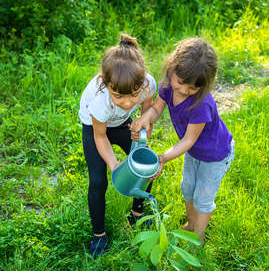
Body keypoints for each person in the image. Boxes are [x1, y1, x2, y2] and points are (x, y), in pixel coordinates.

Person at [130, 37, 234, 244]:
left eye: (192, 88)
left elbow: (188, 141)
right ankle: (191, 223)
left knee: (203, 197)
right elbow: (158, 108)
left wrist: (161, 158)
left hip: (215, 155)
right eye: (181, 83)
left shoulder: (201, 104)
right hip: (195, 153)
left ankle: (198, 237)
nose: (185, 90)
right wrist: (145, 118)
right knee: (188, 189)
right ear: (172, 68)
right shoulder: (169, 85)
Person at [79, 34, 156, 258]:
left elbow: (146, 111)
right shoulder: (100, 100)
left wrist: (142, 129)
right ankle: (99, 236)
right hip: (95, 127)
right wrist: (115, 166)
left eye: (133, 95)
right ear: (106, 83)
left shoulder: (148, 83)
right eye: (118, 96)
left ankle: (136, 215)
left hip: (122, 123)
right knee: (98, 181)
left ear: (142, 84)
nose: (127, 102)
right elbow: (101, 137)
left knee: (144, 166)